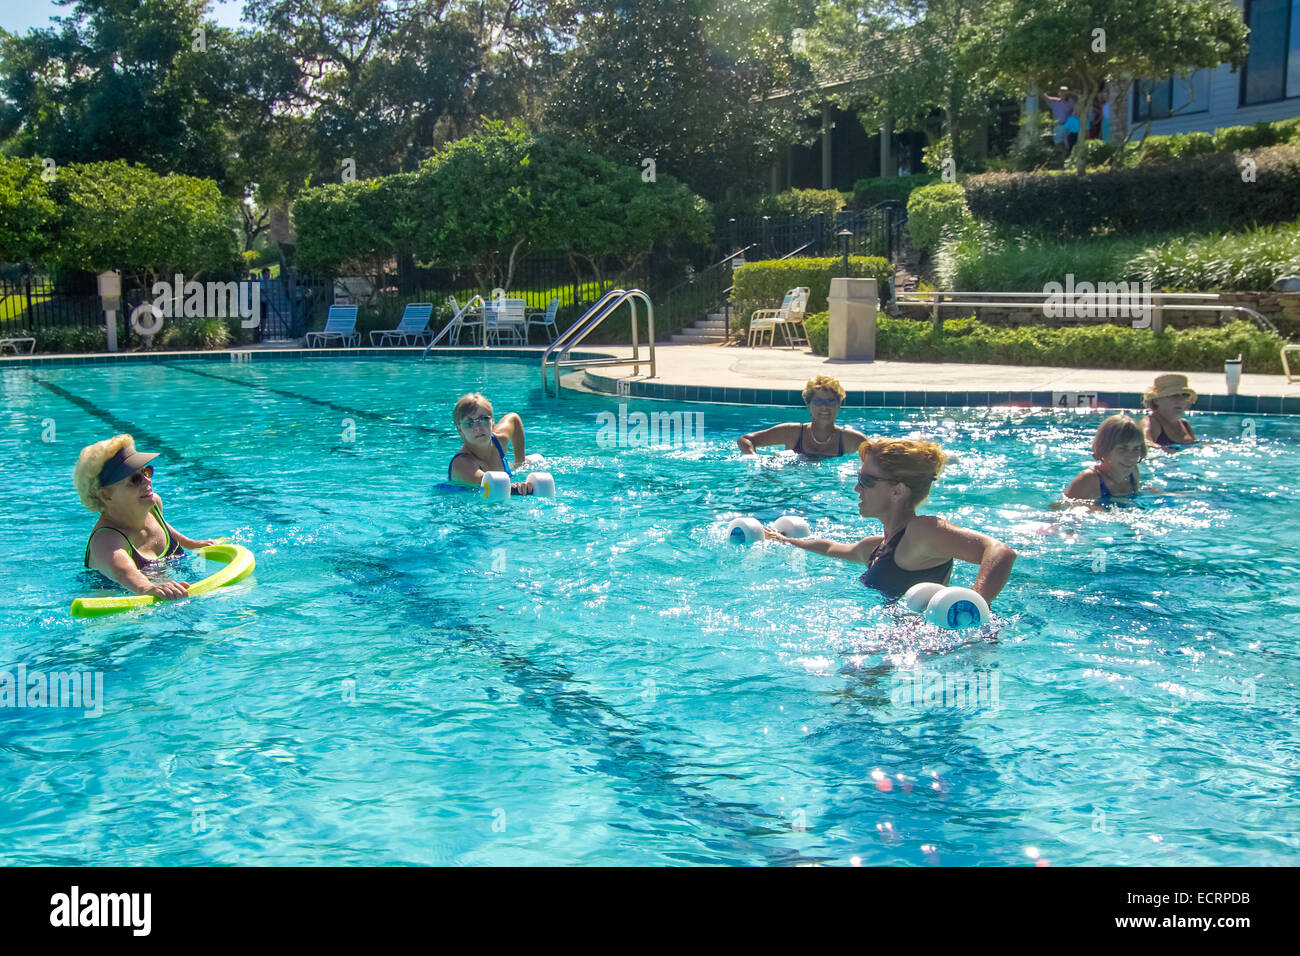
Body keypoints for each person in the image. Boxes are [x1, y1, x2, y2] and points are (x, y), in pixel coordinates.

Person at [764, 437, 1017, 604]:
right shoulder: (875, 548)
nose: (856, 488)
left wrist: (973, 604)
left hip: (938, 651)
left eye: (866, 481)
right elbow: (830, 547)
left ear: (897, 491)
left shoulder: (922, 532)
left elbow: (1000, 552)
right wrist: (787, 541)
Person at [74, 435, 214, 598]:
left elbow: (163, 526)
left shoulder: (152, 504)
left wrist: (191, 543)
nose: (147, 481)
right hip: (122, 608)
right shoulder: (106, 540)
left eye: (147, 471)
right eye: (135, 479)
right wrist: (148, 588)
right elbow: (122, 572)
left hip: (167, 584)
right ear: (106, 495)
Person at [736, 375, 869, 460]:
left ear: (839, 405)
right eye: (818, 401)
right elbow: (745, 440)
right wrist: (756, 461)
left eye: (831, 401)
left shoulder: (852, 440)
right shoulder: (791, 432)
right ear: (808, 405)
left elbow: (879, 461)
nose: (825, 407)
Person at [448, 392, 535, 494]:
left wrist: (520, 463)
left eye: (484, 419)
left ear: (492, 422)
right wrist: (518, 487)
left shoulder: (499, 440)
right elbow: (493, 484)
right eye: (469, 423)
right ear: (460, 431)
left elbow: (514, 418)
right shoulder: (462, 463)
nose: (478, 428)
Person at [1063, 414, 1147, 503]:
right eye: (1122, 449)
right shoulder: (1089, 480)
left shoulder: (1132, 473)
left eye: (1136, 449)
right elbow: (1058, 508)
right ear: (1105, 449)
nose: (1131, 457)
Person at [1143, 374, 1198, 448]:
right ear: (1156, 400)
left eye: (1185, 395)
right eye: (1174, 395)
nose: (1180, 400)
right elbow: (1144, 443)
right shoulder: (1152, 422)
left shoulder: (1185, 424)